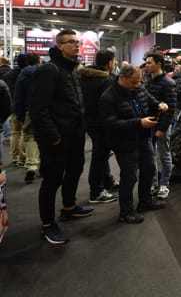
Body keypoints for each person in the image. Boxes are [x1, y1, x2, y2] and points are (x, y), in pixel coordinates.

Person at [30, 31, 92, 245]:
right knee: (52, 179)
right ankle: (47, 225)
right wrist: (54, 137)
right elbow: (38, 109)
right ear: (59, 45)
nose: (76, 45)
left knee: (75, 170)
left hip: (75, 134)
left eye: (78, 42)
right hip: (56, 138)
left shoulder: (72, 69)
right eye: (71, 42)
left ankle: (69, 207)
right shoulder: (50, 69)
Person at [99, 64, 168, 224]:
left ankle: (145, 201)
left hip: (143, 138)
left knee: (149, 170)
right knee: (129, 177)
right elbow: (110, 124)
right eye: (133, 82)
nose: (137, 85)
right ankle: (126, 212)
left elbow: (151, 101)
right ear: (122, 77)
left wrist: (160, 104)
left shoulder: (138, 88)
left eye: (138, 81)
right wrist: (139, 123)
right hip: (124, 143)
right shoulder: (108, 97)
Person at [79, 49, 119, 203]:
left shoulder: (85, 77)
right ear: (109, 63)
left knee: (101, 154)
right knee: (99, 156)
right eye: (114, 61)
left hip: (89, 121)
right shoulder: (106, 80)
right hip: (102, 123)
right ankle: (96, 191)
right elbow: (109, 105)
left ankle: (107, 181)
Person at [144, 52, 177, 200]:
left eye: (149, 62)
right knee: (150, 156)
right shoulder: (147, 80)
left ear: (159, 64)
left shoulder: (169, 83)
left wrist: (162, 128)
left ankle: (164, 184)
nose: (147, 65)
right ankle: (154, 182)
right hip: (148, 123)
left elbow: (170, 109)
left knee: (164, 155)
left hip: (161, 125)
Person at [13, 53, 42, 184]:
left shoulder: (23, 75)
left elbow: (18, 96)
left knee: (30, 137)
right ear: (39, 60)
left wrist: (20, 115)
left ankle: (32, 165)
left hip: (29, 111)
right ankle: (45, 165)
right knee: (45, 138)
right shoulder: (47, 72)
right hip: (45, 110)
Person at [4, 54, 27, 167]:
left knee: (15, 133)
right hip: (24, 107)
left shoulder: (8, 75)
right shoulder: (26, 74)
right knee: (24, 133)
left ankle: (14, 157)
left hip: (12, 107)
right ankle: (22, 158)